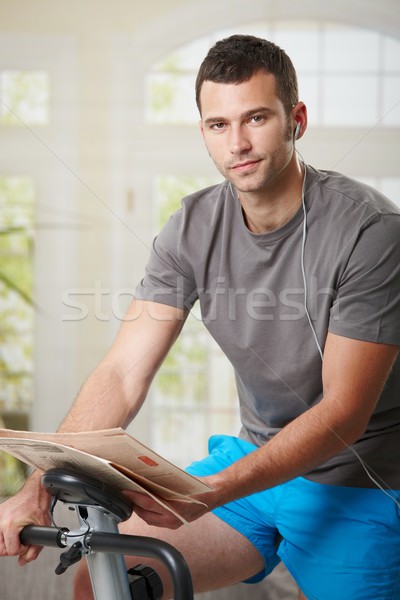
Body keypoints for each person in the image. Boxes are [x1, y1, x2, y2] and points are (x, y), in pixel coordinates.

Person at [1, 34, 399, 600]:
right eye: (218, 125)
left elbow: (343, 413)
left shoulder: (371, 233)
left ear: (297, 119)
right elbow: (122, 372)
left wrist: (211, 489)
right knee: (106, 580)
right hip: (256, 461)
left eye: (256, 118)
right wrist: (37, 486)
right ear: (204, 132)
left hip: (360, 479)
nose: (237, 143)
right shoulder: (191, 227)